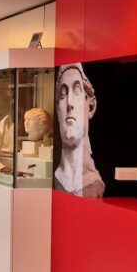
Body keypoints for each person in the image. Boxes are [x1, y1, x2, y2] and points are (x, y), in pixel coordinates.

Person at [54, 63, 104, 197]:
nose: (69, 102)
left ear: (90, 106)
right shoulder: (56, 176)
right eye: (63, 94)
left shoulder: (93, 181)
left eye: (76, 90)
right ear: (58, 111)